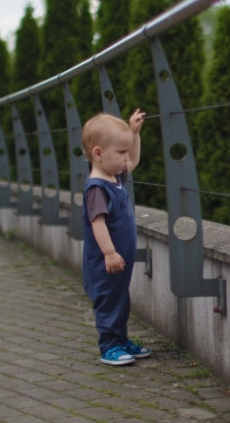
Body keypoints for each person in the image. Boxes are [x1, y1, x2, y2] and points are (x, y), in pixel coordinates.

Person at [80, 109, 149, 365]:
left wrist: (134, 133)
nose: (126, 158)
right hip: (105, 264)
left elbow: (134, 160)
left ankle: (120, 339)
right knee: (109, 302)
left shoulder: (114, 178)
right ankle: (108, 345)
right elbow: (97, 223)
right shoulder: (97, 189)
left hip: (119, 261)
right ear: (98, 154)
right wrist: (109, 253)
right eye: (120, 153)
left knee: (120, 301)